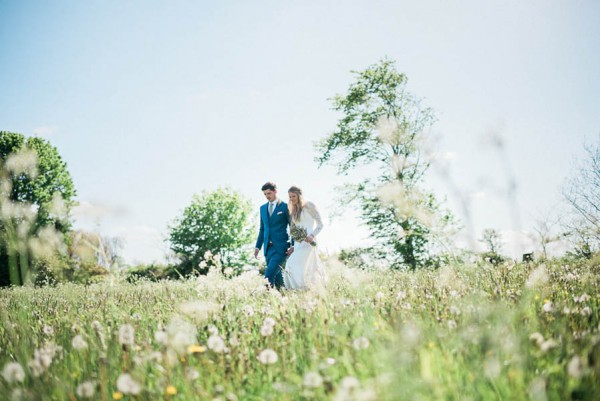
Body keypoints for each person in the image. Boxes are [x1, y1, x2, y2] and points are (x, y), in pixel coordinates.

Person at [283, 186, 327, 290]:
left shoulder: (309, 205)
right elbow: (294, 229)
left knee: (299, 264)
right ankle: (302, 289)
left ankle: (306, 288)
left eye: (294, 196)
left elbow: (320, 224)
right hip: (298, 241)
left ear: (299, 195)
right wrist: (293, 246)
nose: (292, 198)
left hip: (309, 240)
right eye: (290, 197)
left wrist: (312, 235)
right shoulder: (292, 209)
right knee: (295, 265)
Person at [254, 182, 294, 289]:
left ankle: (266, 299)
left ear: (275, 191)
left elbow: (292, 227)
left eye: (269, 193)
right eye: (265, 194)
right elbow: (262, 229)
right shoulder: (262, 208)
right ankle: (284, 298)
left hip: (281, 248)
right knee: (278, 280)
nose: (267, 196)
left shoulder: (285, 207)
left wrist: (293, 245)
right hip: (268, 249)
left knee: (269, 275)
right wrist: (258, 247)